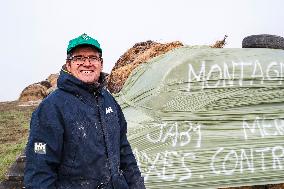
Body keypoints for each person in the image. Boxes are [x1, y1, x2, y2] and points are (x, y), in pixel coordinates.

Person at [24, 33, 145, 189]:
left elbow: (124, 151)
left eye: (93, 58)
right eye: (79, 58)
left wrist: (137, 185)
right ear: (69, 65)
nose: (87, 63)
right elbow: (39, 172)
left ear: (101, 63)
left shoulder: (109, 100)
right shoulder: (51, 108)